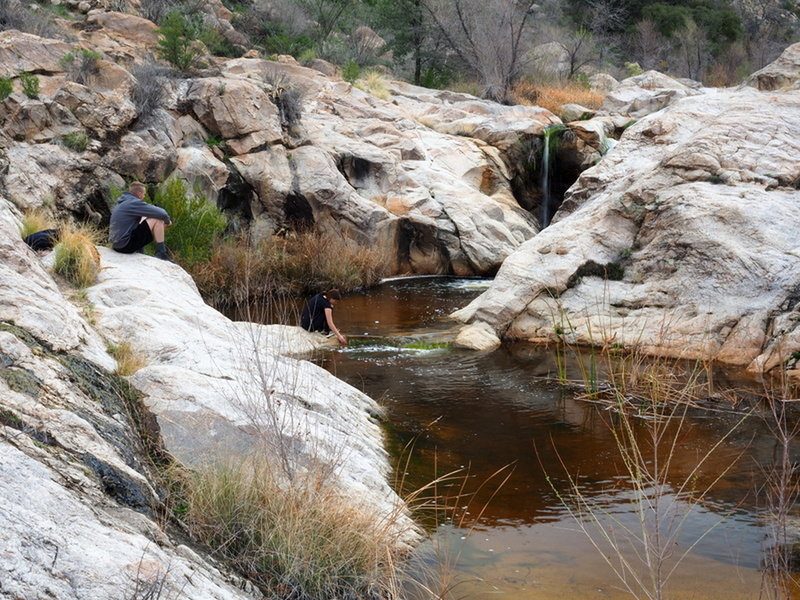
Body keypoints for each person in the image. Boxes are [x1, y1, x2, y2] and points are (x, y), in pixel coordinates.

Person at [109, 182, 173, 260]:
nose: (144, 196)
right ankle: (161, 253)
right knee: (157, 219)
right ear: (139, 194)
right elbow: (162, 214)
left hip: (117, 245)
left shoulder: (123, 203)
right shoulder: (134, 202)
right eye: (144, 194)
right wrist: (167, 222)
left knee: (143, 218)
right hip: (125, 246)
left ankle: (140, 251)